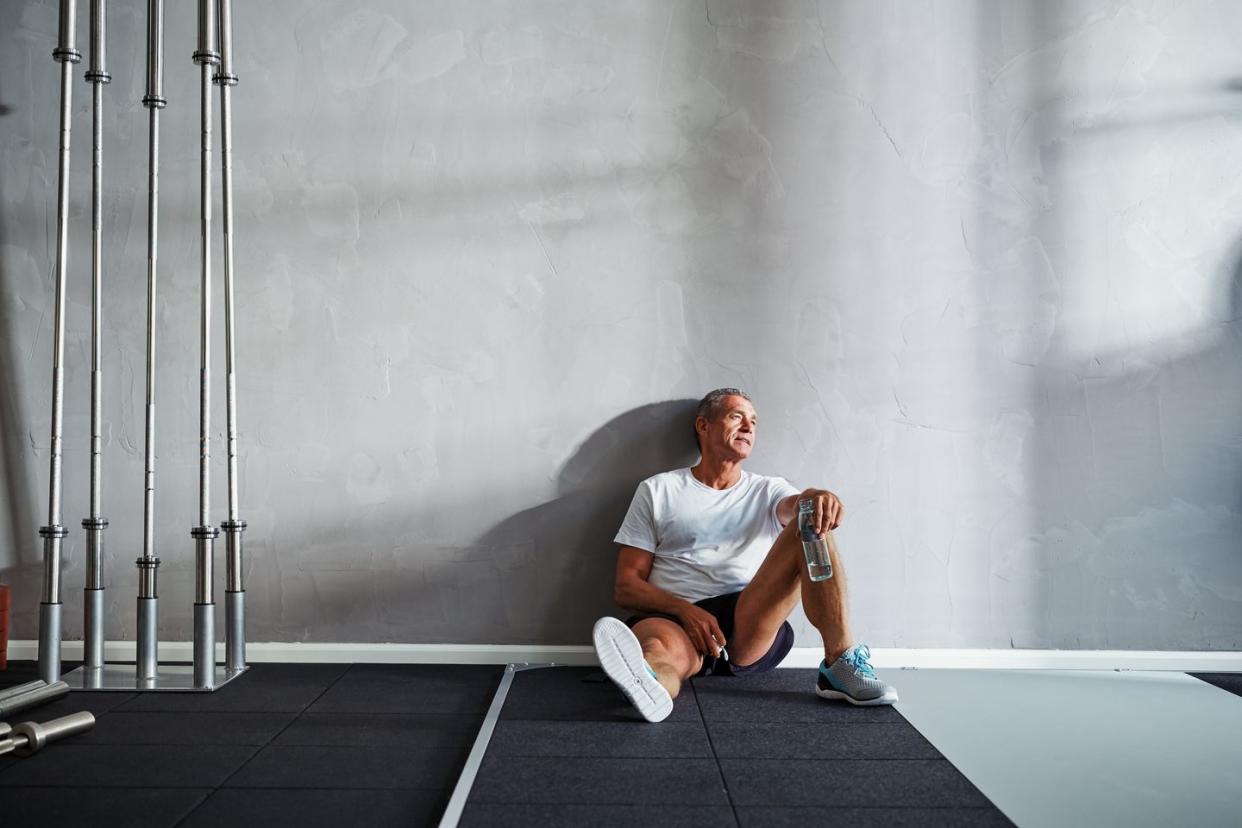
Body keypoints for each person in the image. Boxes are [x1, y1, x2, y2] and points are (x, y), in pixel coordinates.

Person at [592, 388, 897, 723]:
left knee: (810, 517)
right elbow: (626, 587)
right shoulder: (658, 489)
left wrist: (816, 496)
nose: (749, 427)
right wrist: (686, 611)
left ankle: (839, 663)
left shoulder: (768, 489)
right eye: (737, 416)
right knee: (657, 658)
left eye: (753, 421)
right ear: (703, 426)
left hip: (747, 620)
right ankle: (649, 686)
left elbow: (797, 505)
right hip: (674, 618)